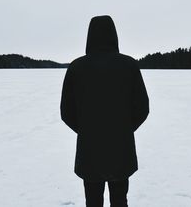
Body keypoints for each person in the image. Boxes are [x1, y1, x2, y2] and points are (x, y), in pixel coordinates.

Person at [60, 15, 150, 207]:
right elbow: (142, 108)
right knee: (120, 201)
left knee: (92, 201)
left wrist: (87, 129)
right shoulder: (129, 65)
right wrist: (123, 129)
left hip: (90, 150)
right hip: (121, 149)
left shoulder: (76, 67)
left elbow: (66, 112)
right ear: (114, 35)